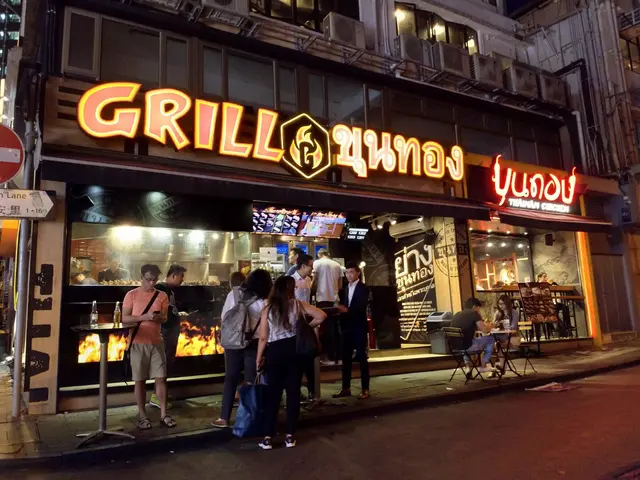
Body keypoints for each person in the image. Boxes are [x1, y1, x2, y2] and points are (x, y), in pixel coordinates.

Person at [256, 276, 326, 450]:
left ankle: (268, 437)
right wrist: (306, 327)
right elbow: (321, 315)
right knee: (293, 392)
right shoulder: (298, 304)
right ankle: (289, 436)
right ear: (290, 289)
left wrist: (259, 358)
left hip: (275, 352)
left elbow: (263, 337)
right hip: (294, 350)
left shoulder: (268, 308)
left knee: (273, 394)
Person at [213, 269, 273, 428]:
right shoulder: (266, 300)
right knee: (250, 380)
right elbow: (268, 325)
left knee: (231, 378)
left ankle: (224, 418)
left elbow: (224, 318)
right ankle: (248, 419)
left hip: (234, 341)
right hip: (254, 342)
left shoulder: (234, 294)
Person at [122, 264, 175, 429]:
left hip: (156, 341)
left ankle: (164, 414)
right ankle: (142, 415)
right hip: (138, 342)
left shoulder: (162, 296)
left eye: (154, 280)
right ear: (141, 278)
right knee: (140, 380)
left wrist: (158, 318)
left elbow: (165, 318)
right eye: (148, 279)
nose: (151, 283)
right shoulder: (131, 295)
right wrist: (144, 317)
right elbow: (125, 318)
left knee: (161, 378)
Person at [333, 261, 371, 400]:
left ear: (357, 273)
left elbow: (361, 307)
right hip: (347, 327)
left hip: (359, 326)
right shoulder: (344, 289)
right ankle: (346, 388)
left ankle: (365, 388)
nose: (349, 275)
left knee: (361, 358)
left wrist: (346, 310)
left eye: (351, 272)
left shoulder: (363, 288)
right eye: (347, 273)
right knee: (346, 358)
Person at [153, 264, 187, 409]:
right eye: (181, 276)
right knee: (163, 363)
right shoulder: (161, 289)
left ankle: (162, 393)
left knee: (167, 362)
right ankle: (157, 396)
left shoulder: (169, 290)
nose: (182, 279)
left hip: (170, 331)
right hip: (165, 331)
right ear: (173, 275)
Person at [288, 254, 318, 402]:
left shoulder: (308, 280)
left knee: (309, 357)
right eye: (311, 266)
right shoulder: (291, 280)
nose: (312, 268)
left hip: (306, 321)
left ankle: (312, 391)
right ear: (304, 266)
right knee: (298, 360)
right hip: (295, 323)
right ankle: (297, 391)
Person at [450, 297, 495, 374]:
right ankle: (483, 366)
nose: (478, 311)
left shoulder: (456, 314)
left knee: (464, 341)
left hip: (455, 346)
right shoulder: (474, 313)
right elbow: (485, 330)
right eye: (478, 309)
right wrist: (491, 326)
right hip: (468, 346)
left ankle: (468, 367)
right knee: (491, 339)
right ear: (474, 307)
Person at [313, 249, 343, 363]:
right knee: (335, 328)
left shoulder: (317, 263)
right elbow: (340, 286)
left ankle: (328, 355)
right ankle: (337, 355)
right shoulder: (337, 265)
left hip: (322, 299)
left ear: (319, 255)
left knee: (325, 328)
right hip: (335, 300)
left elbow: (314, 281)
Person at [493, 294, 520, 370]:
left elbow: (513, 326)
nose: (500, 306)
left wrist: (504, 325)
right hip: (500, 335)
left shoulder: (514, 312)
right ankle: (499, 366)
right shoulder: (498, 313)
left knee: (496, 343)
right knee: (492, 343)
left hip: (512, 336)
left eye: (502, 304)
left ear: (507, 303)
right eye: (499, 304)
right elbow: (493, 325)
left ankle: (500, 366)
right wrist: (497, 324)